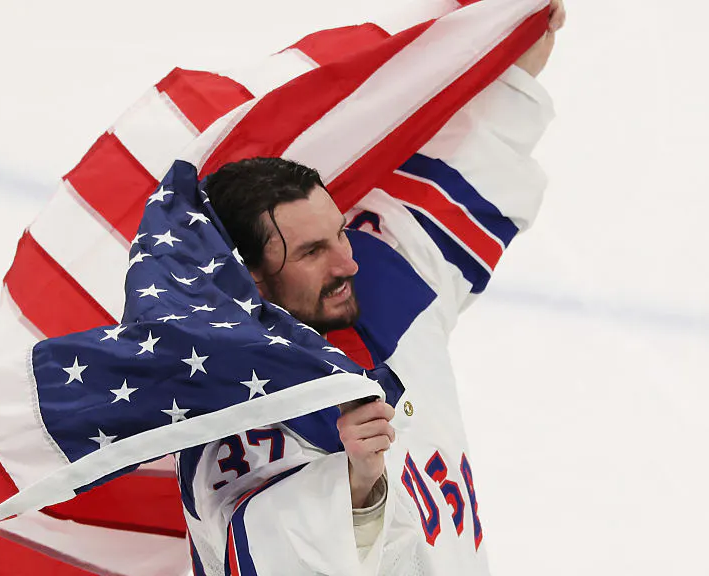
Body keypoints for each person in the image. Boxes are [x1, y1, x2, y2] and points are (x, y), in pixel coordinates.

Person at [176, 4, 565, 574]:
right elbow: (261, 549)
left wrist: (514, 41)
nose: (347, 261)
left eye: (339, 232)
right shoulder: (232, 414)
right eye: (312, 252)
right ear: (250, 277)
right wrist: (356, 488)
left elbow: (472, 168)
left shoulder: (380, 279)